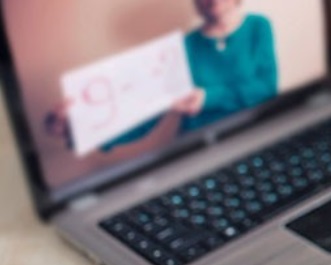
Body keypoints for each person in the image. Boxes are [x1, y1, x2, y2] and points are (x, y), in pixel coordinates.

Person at [46, 0, 277, 152]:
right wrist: (86, 128)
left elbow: (266, 88)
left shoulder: (258, 26)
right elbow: (147, 112)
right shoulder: (182, 47)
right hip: (199, 149)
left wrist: (207, 98)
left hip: (254, 139)